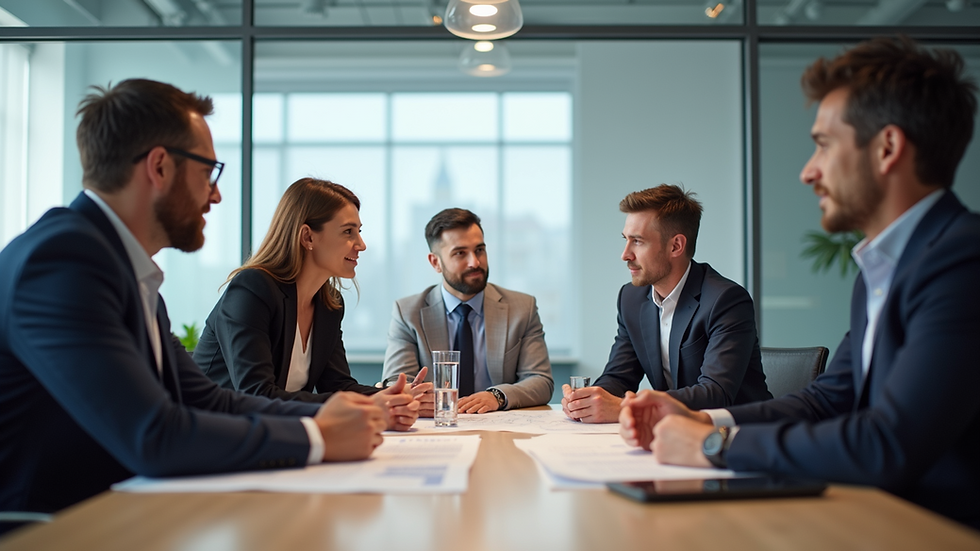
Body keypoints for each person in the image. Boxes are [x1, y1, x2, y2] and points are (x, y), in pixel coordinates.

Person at [619, 38, 980, 530]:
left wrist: (714, 445)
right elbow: (825, 400)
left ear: (888, 148)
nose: (809, 171)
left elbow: (889, 443)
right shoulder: (885, 269)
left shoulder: (963, 261)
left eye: (824, 145)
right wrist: (702, 421)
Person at [0, 79, 387, 516]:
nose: (216, 194)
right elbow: (154, 435)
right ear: (160, 167)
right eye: (208, 172)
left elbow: (204, 398)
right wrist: (318, 438)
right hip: (51, 528)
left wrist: (330, 417)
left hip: (114, 513)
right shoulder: (63, 262)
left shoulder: (125, 270)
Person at [194, 178, 422, 431]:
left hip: (274, 435)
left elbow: (337, 385)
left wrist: (394, 396)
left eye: (359, 231)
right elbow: (256, 394)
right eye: (348, 232)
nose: (361, 244)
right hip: (215, 435)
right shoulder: (252, 289)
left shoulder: (330, 303)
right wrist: (369, 406)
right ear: (307, 236)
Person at [562, 185, 771, 423]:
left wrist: (625, 408)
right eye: (626, 240)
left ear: (676, 246)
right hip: (673, 433)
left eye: (637, 241)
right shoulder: (631, 298)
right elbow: (619, 377)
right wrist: (588, 401)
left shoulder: (726, 300)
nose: (625, 254)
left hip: (738, 437)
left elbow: (715, 394)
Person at [382, 208, 554, 414]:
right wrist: (411, 395)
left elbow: (541, 381)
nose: (475, 262)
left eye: (479, 250)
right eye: (460, 253)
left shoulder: (522, 308)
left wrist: (496, 396)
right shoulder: (408, 312)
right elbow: (396, 382)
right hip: (437, 428)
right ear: (435, 262)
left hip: (499, 430)